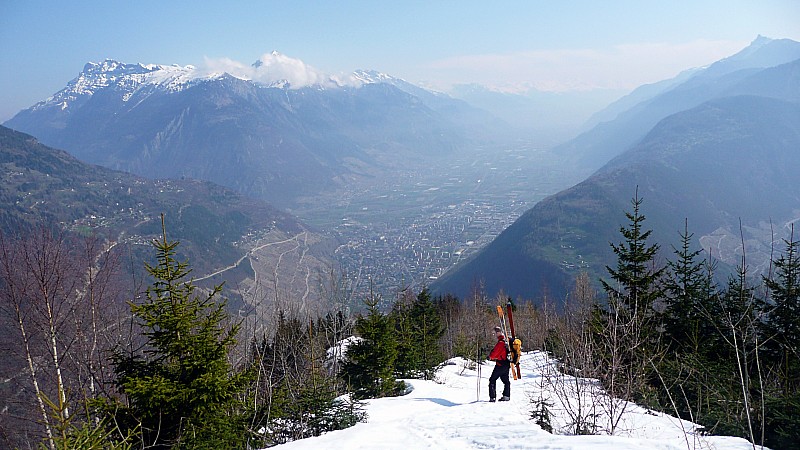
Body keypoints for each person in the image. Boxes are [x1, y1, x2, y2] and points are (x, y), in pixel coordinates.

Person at [487, 326, 511, 402]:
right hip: (507, 364)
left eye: (495, 333)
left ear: (498, 332)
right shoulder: (506, 341)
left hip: (500, 364)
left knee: (492, 379)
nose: (494, 335)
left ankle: (492, 397)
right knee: (505, 381)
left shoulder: (501, 343)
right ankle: (506, 396)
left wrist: (490, 357)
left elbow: (495, 354)